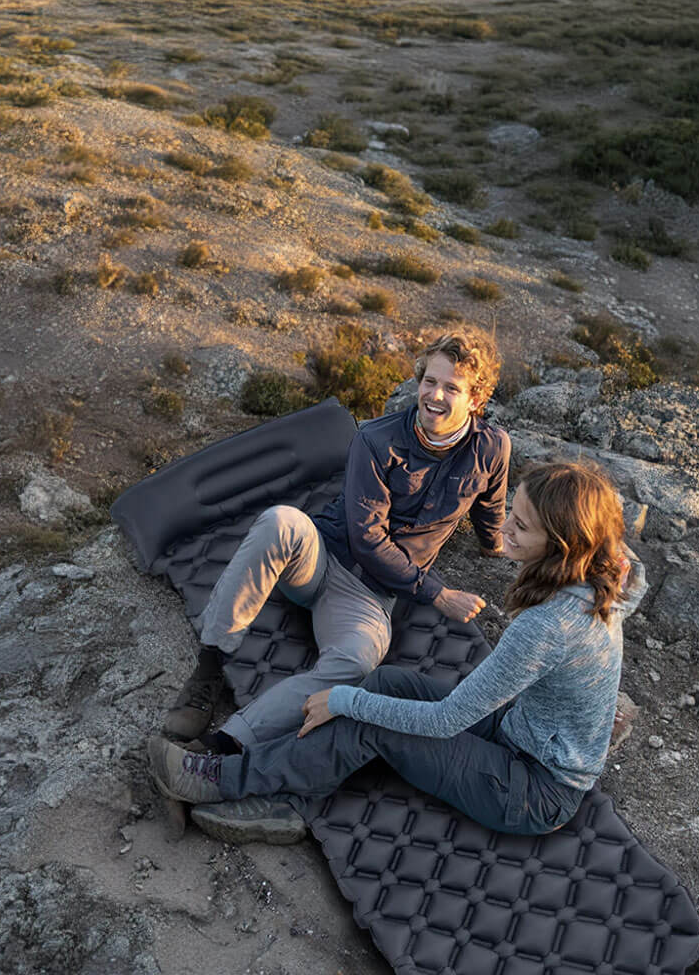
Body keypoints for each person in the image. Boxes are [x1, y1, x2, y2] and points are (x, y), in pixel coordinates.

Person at [149, 461, 646, 841]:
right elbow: (634, 573)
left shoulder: (547, 625)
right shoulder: (609, 579)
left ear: (562, 544)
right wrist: (617, 549)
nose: (504, 530)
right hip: (521, 736)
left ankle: (221, 780)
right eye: (510, 515)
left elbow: (446, 721)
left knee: (369, 716)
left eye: (520, 526)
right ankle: (295, 787)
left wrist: (342, 701)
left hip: (533, 790)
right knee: (384, 682)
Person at [163, 327, 511, 750]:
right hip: (322, 558)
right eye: (429, 381)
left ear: (476, 400)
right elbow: (367, 539)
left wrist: (496, 545)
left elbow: (490, 506)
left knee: (357, 663)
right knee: (281, 521)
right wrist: (437, 595)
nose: (434, 396)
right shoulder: (376, 439)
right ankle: (209, 669)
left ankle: (226, 744)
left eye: (450, 388)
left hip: (369, 597)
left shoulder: (492, 447)